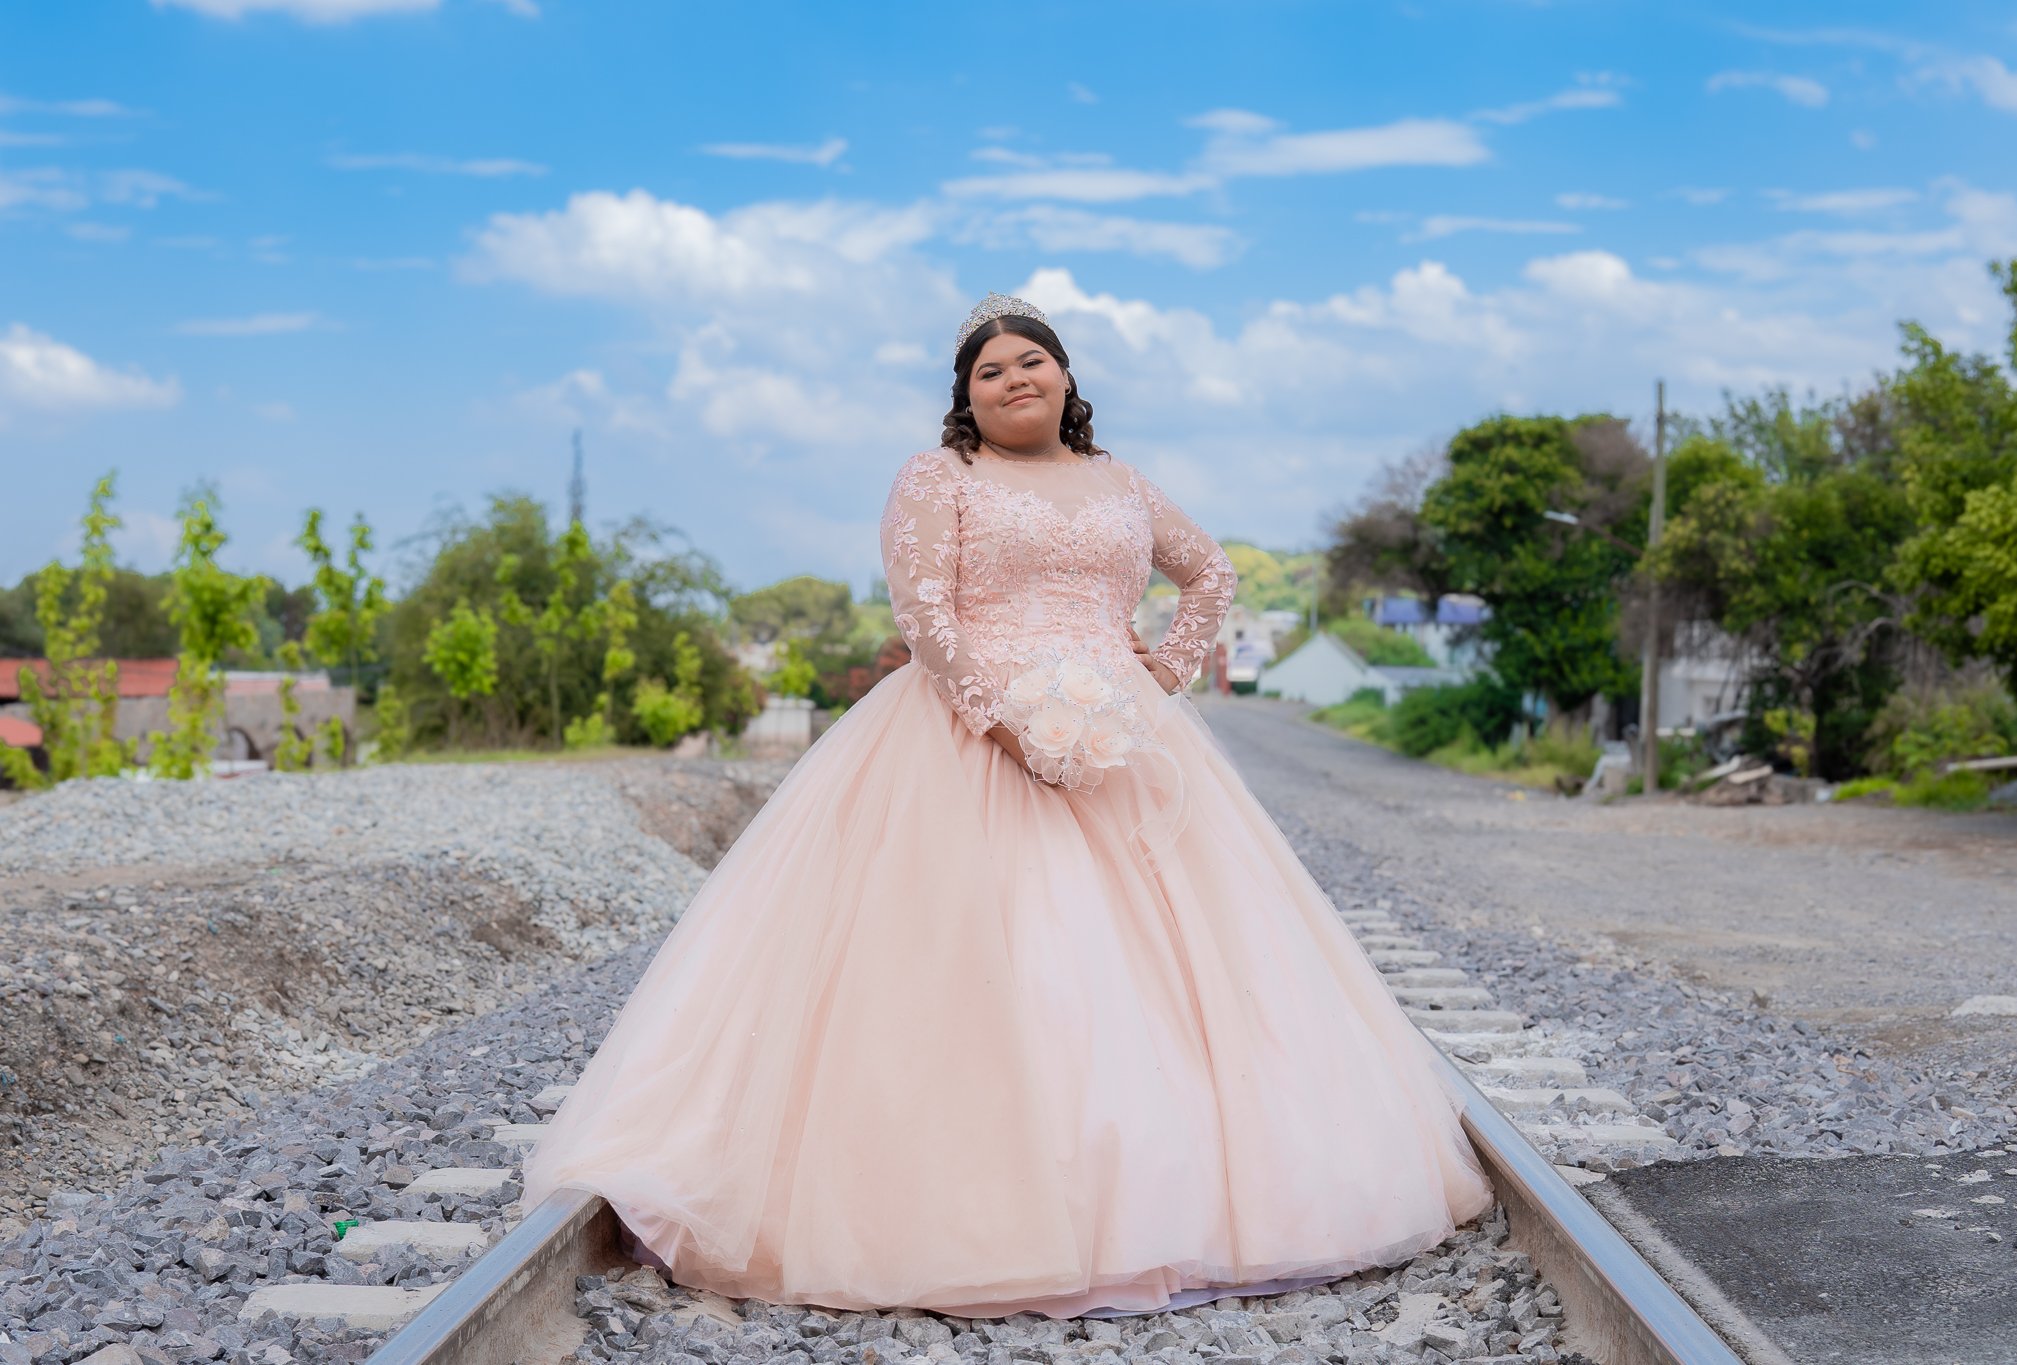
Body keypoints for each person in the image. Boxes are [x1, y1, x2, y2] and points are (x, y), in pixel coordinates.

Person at [522, 294, 1491, 1320]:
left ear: (1066, 379)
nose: (1013, 378)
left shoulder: (1121, 483)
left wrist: (1158, 675)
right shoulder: (938, 477)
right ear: (965, 400)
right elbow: (924, 610)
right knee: (966, 958)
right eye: (988, 371)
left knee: (1156, 969)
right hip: (956, 736)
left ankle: (1160, 1197)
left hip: (1122, 743)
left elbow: (1210, 572)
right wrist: (1005, 722)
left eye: (1031, 360)